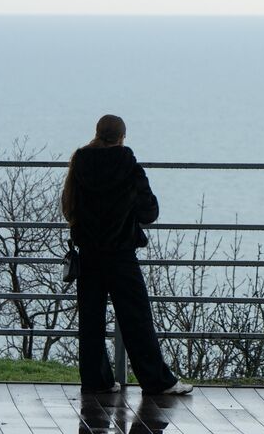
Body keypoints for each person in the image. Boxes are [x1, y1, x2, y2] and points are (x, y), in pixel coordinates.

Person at [60, 114, 193, 396]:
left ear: (97, 133)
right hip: (120, 254)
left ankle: (97, 381)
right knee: (137, 319)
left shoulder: (80, 164)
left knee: (91, 320)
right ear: (122, 137)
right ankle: (156, 380)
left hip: (90, 254)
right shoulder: (129, 167)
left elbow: (69, 207)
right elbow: (149, 212)